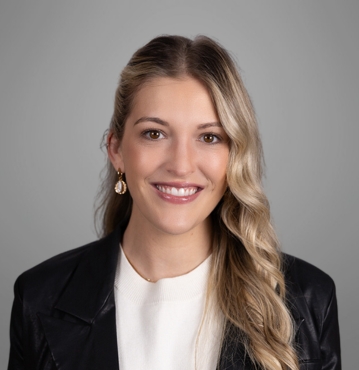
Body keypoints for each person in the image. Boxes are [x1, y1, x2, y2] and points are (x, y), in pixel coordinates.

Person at [8, 35, 341, 370]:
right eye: (155, 134)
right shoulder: (38, 298)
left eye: (209, 137)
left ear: (235, 156)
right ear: (117, 150)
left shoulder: (309, 300)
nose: (181, 165)